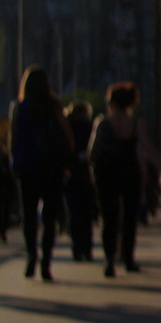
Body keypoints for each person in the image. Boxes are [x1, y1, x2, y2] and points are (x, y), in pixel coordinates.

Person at [9, 67, 73, 280]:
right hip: (51, 166)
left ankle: (31, 256)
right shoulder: (54, 106)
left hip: (27, 167)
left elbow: (14, 138)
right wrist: (66, 159)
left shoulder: (19, 108)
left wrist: (15, 163)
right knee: (49, 217)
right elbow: (67, 135)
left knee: (28, 215)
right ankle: (46, 261)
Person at [90, 82, 146, 277]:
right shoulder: (135, 124)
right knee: (129, 219)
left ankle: (109, 260)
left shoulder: (103, 123)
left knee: (109, 219)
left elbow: (93, 153)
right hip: (130, 175)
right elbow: (144, 152)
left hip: (107, 176)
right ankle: (128, 259)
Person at [64, 101, 96, 262]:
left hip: (70, 174)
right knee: (87, 214)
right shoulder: (90, 127)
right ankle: (87, 249)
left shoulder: (67, 127)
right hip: (87, 174)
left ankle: (77, 249)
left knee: (74, 214)